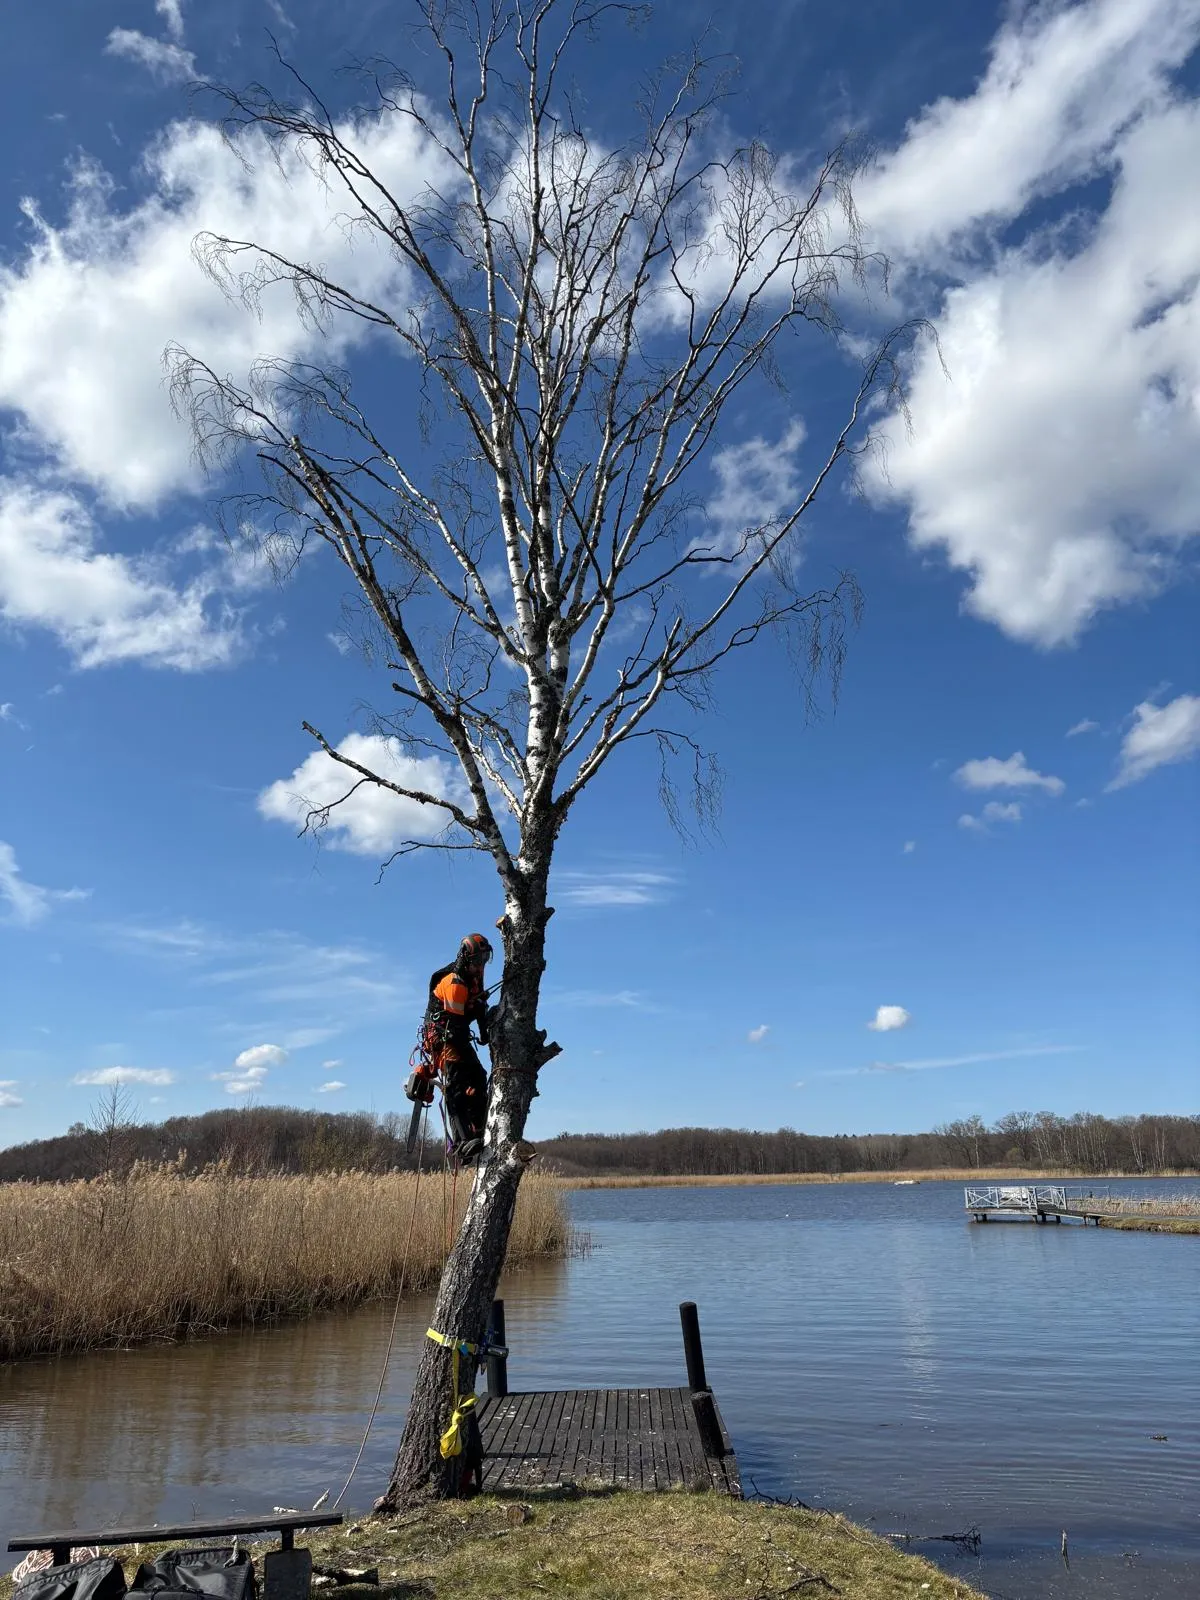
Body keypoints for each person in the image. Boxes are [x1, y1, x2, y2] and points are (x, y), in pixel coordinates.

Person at [405, 932, 494, 1162]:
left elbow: (480, 1006)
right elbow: (456, 1024)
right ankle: (460, 1142)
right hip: (444, 1037)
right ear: (466, 958)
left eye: (483, 962)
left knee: (478, 1076)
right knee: (456, 1084)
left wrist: (484, 1031)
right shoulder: (454, 982)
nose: (479, 967)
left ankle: (477, 1130)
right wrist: (474, 1008)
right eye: (476, 962)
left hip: (457, 1034)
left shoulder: (474, 977)